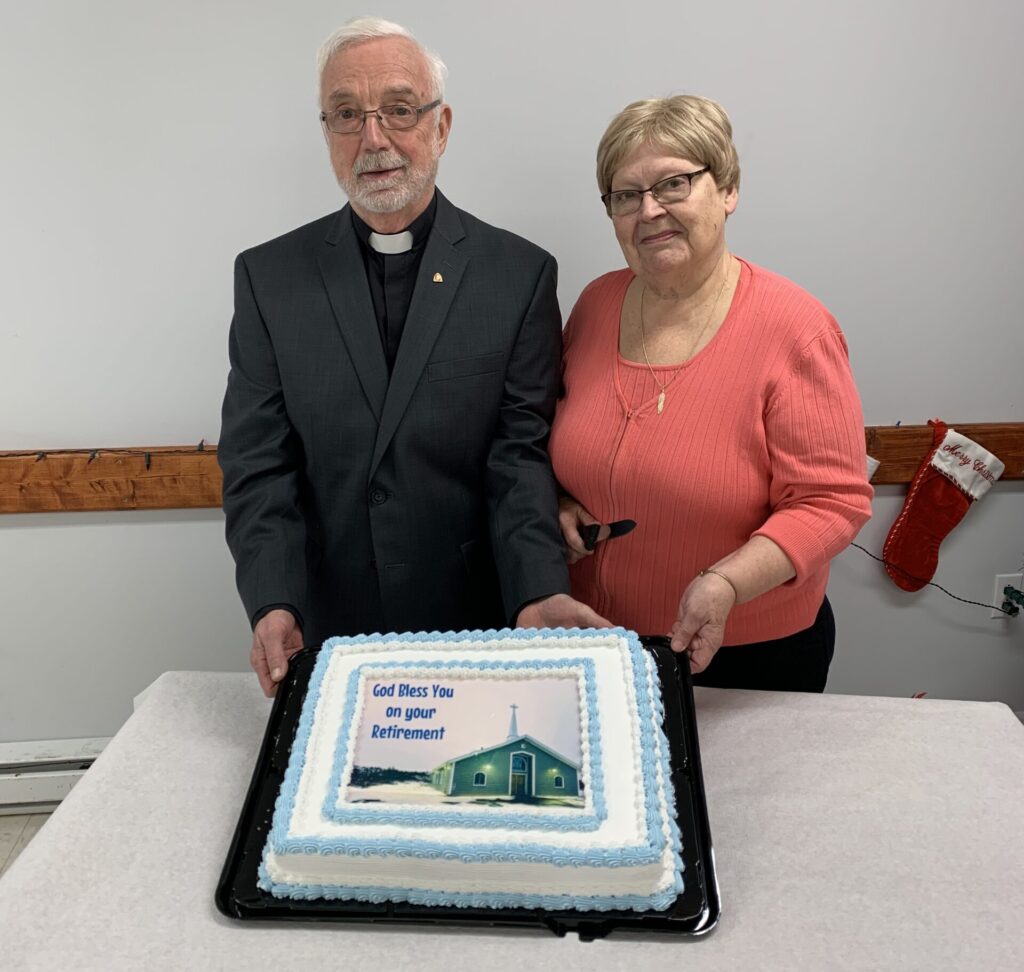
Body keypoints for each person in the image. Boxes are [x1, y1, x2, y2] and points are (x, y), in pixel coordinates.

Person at [219, 17, 606, 697]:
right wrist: (273, 599)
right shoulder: (268, 278)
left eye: (398, 109)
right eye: (346, 115)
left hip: (482, 624)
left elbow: (518, 459)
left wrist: (538, 590)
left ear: (441, 126)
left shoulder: (517, 275)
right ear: (327, 133)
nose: (374, 139)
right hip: (328, 630)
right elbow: (259, 466)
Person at [550, 96, 873, 692]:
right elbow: (560, 438)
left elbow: (833, 502)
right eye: (626, 195)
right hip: (598, 640)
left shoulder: (796, 329)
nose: (649, 211)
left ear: (727, 190)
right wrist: (561, 498)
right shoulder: (595, 305)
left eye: (674, 184)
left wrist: (725, 583)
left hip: (747, 651)